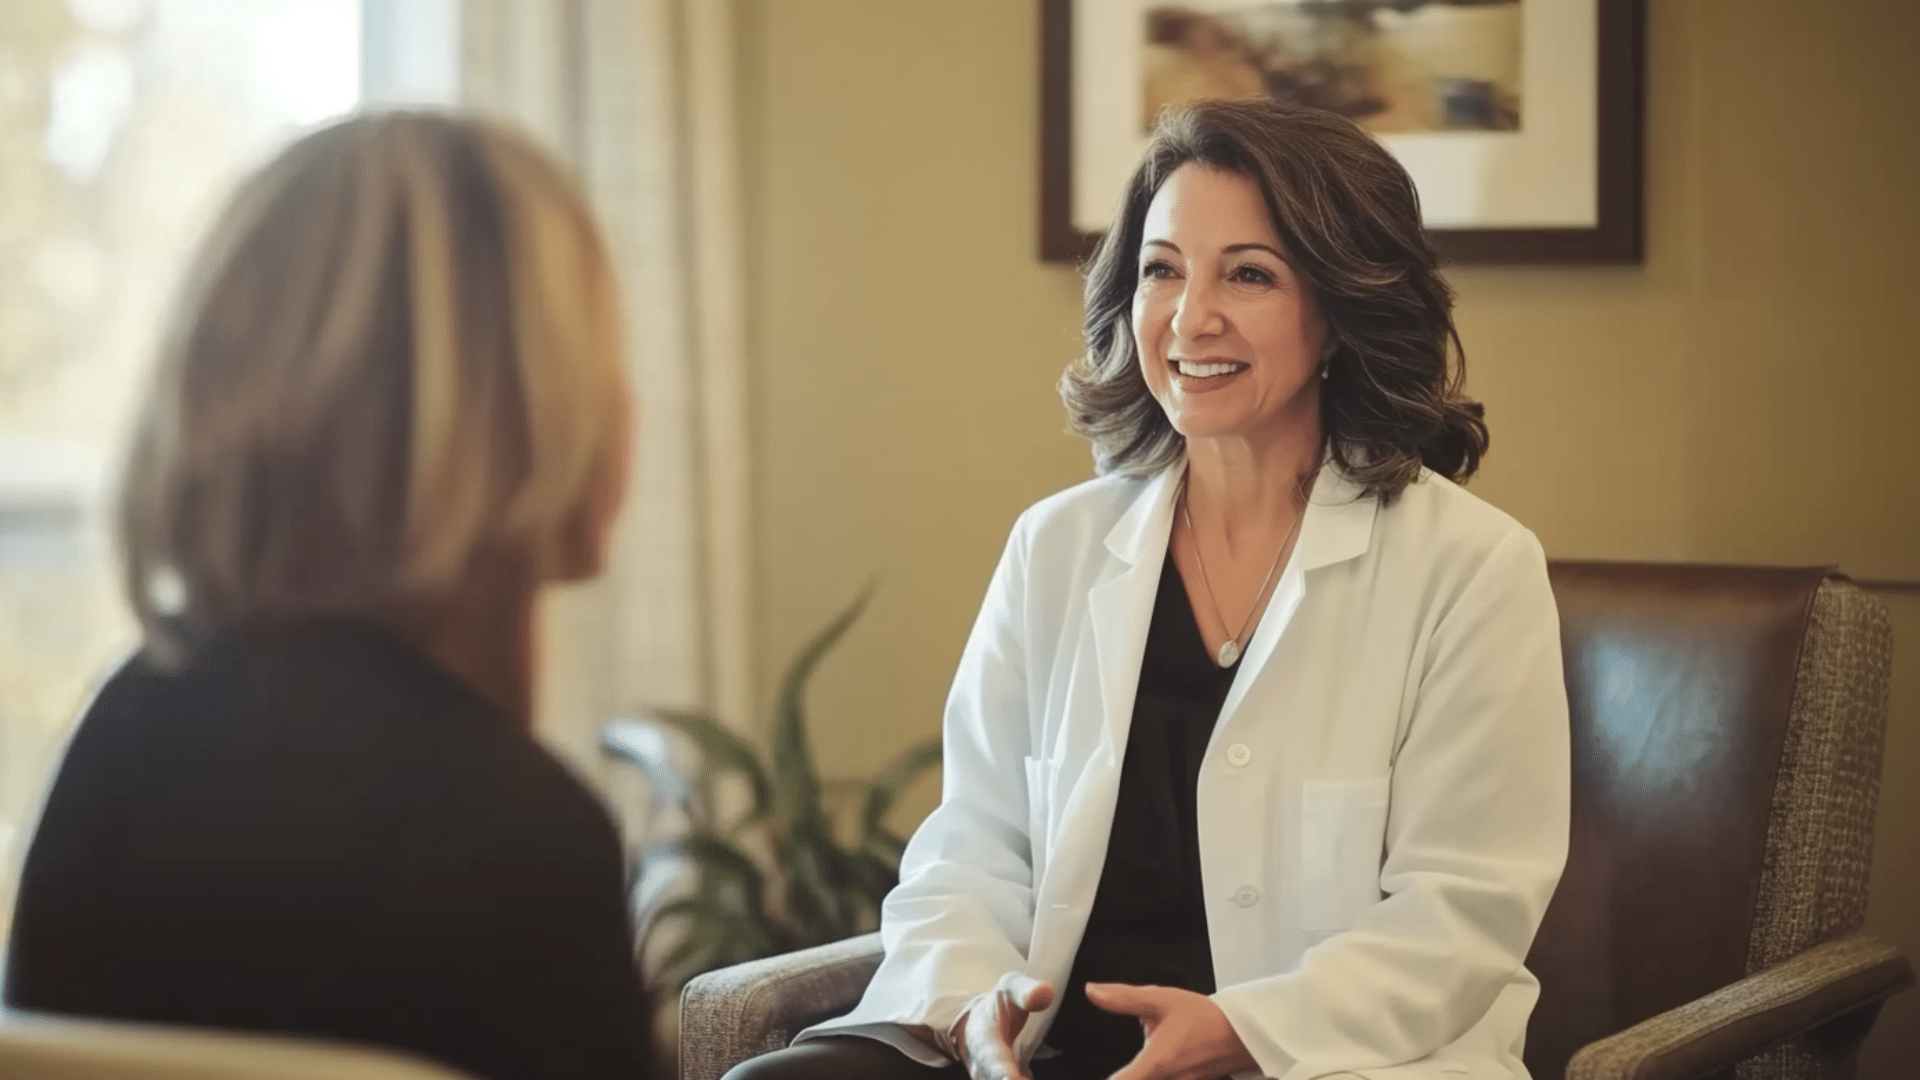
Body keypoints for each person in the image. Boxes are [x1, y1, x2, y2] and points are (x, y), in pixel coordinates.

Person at [734, 99, 1571, 1080]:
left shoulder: (1473, 570)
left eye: (1249, 275)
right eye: (1162, 269)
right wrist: (975, 1005)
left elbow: (1461, 920)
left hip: (1322, 1060)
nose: (1191, 316)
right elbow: (973, 848)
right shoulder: (1056, 547)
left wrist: (1240, 1031)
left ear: (1341, 312)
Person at [5, 112, 651, 1080]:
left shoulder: (126, 730)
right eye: (600, 353)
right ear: (523, 409)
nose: (627, 396)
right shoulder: (526, 843)